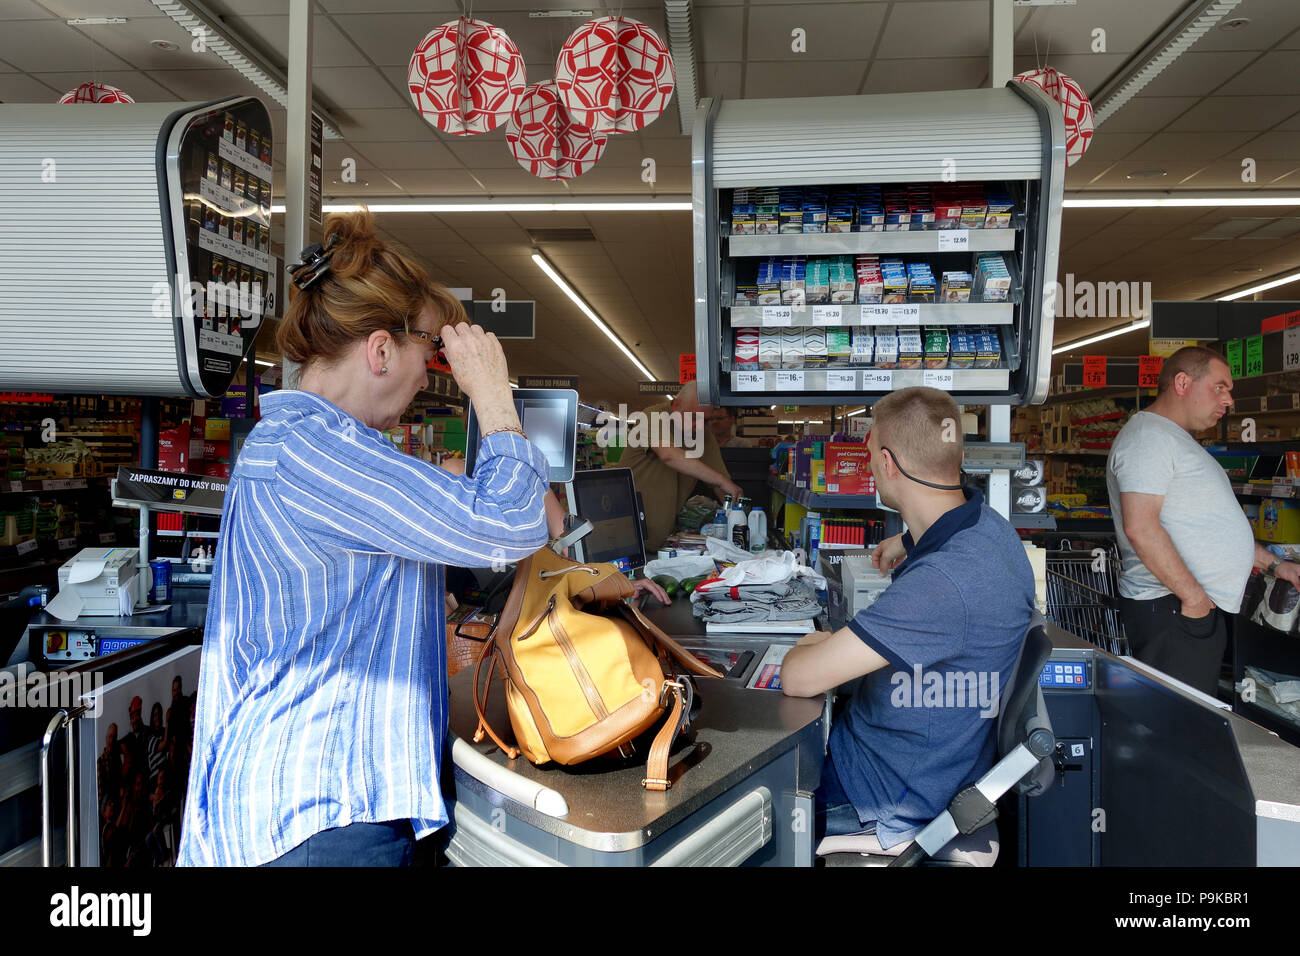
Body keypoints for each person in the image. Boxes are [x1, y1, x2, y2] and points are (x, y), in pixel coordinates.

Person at [177, 209, 551, 867]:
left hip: (321, 813)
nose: (432, 375)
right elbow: (509, 527)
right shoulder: (314, 454)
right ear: (380, 350)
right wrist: (493, 395)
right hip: (319, 820)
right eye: (429, 352)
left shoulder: (315, 448)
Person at [780, 387, 1034, 851]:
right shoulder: (992, 531)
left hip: (881, 796)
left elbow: (798, 679)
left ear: (888, 464)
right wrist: (907, 541)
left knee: (738, 810)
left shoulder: (941, 585)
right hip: (922, 761)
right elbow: (947, 546)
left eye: (871, 450)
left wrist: (809, 643)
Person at [1107, 346, 1300, 696]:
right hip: (1173, 610)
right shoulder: (1149, 439)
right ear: (1182, 383)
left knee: (1187, 722)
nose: (1228, 401)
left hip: (1185, 610)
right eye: (1220, 387)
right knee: (1177, 729)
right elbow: (1141, 527)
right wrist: (1193, 599)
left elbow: (1204, 527)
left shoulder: (1174, 440)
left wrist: (1274, 566)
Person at [617, 382, 742, 551]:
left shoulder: (702, 434)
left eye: (704, 420)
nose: (698, 426)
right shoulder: (651, 417)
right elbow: (668, 455)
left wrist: (738, 519)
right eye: (692, 417)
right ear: (676, 405)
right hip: (625, 537)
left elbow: (721, 485)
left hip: (663, 541)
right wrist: (720, 481)